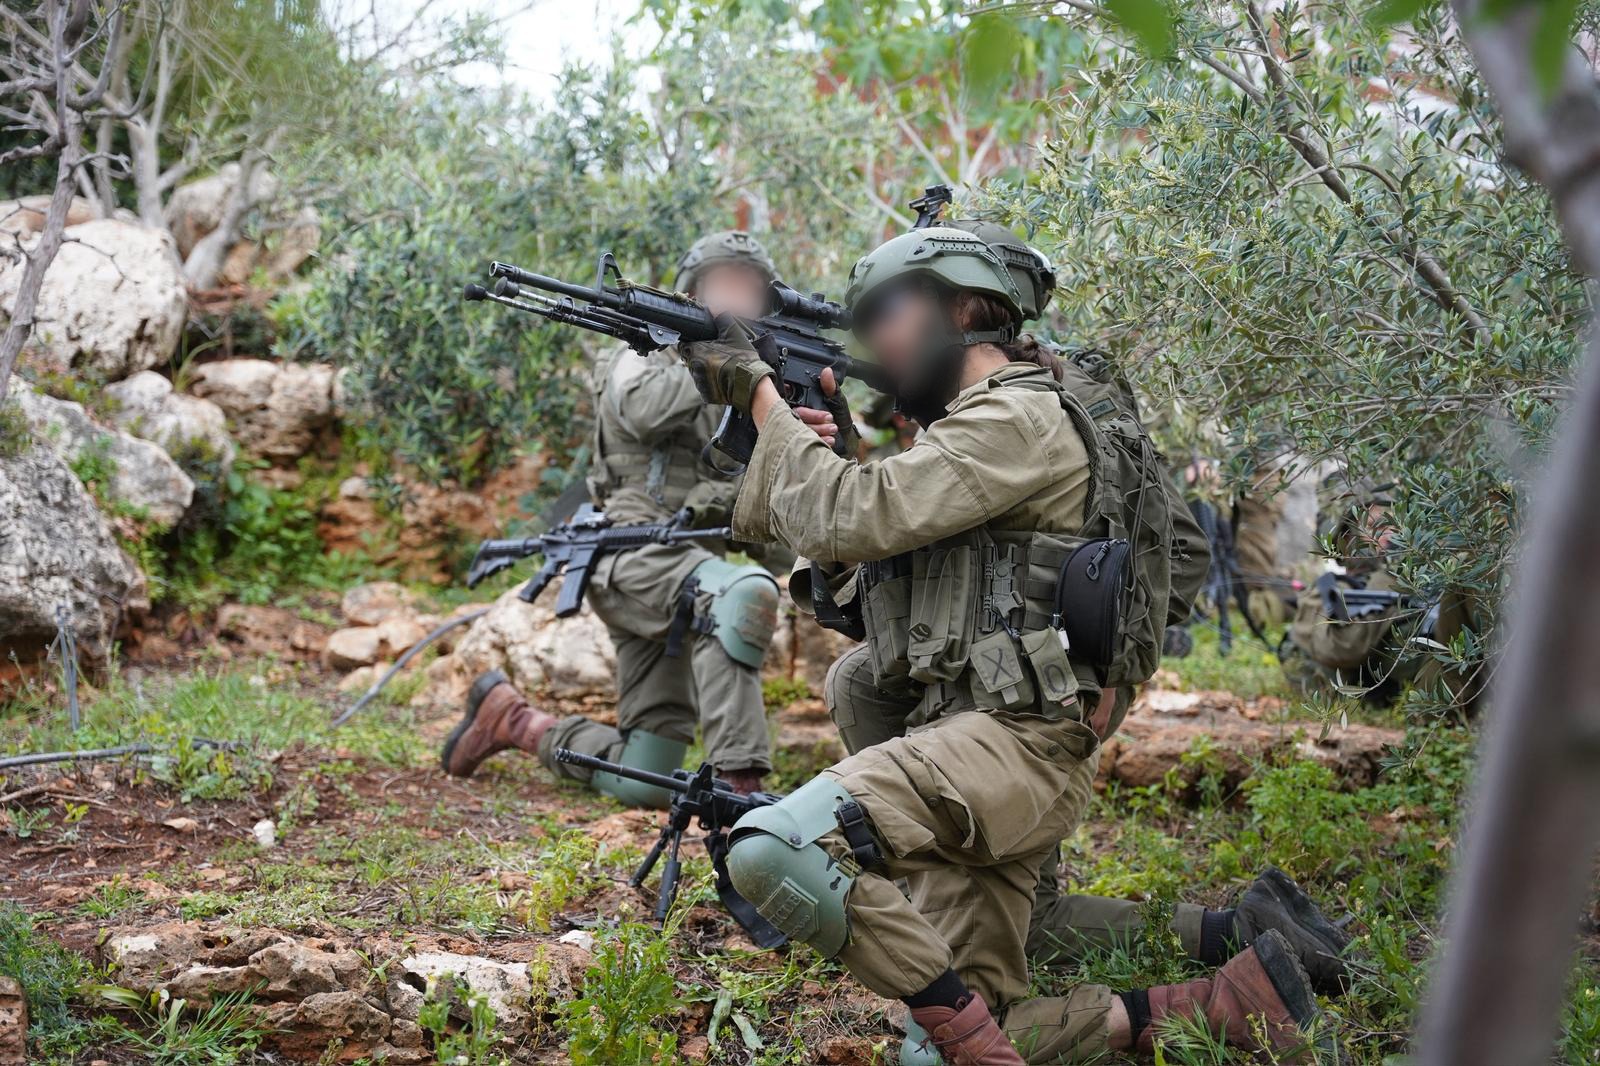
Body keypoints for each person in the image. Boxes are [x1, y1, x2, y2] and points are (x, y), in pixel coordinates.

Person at [679, 225, 1340, 1063]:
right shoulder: (972, 430)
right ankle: (1219, 985)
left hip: (1008, 744)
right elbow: (870, 594)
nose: (873, 334)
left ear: (964, 306)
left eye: (889, 308)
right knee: (1006, 958)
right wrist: (826, 447)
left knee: (773, 847)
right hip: (966, 735)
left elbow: (848, 514)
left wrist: (760, 397)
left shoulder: (1018, 417)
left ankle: (968, 1025)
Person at [439, 231, 783, 801]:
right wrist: (728, 358)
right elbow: (644, 413)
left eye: (750, 289)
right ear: (691, 293)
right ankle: (742, 799)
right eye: (725, 284)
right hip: (631, 552)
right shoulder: (641, 353)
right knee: (741, 595)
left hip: (693, 569)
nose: (738, 298)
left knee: (644, 777)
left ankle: (515, 722)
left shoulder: (752, 385)